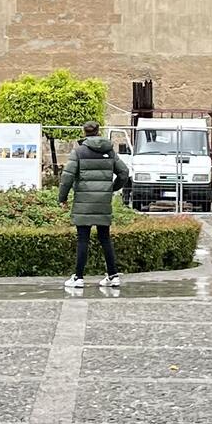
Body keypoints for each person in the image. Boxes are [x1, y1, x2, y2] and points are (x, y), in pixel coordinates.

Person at [58, 120, 132, 294]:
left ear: (84, 132)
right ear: (99, 132)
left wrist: (62, 198)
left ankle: (78, 277)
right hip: (103, 202)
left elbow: (67, 177)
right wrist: (112, 188)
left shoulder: (78, 152)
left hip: (83, 202)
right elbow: (124, 172)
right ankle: (113, 276)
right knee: (105, 238)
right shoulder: (110, 152)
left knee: (83, 239)